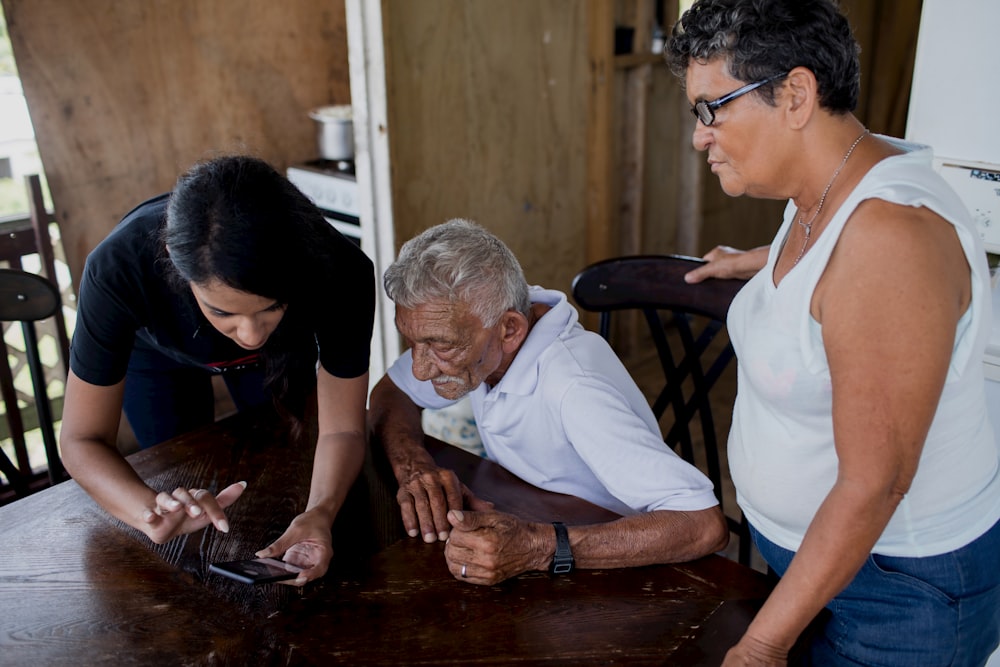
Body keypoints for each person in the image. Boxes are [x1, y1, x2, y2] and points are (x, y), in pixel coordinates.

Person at [665, 1, 1000, 665]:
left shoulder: (890, 241)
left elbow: (874, 483)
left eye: (711, 109)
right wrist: (756, 264)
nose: (701, 136)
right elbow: (832, 268)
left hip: (896, 592)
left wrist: (761, 643)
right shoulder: (827, 187)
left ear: (795, 95)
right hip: (826, 565)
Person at [60, 155, 375, 585]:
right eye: (223, 311)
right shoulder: (119, 268)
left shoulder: (339, 269)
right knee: (176, 468)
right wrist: (149, 510)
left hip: (285, 351)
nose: (249, 335)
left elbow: (342, 430)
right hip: (157, 354)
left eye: (270, 306)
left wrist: (320, 512)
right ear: (173, 259)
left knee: (287, 460)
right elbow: (81, 440)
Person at [368, 218, 729, 585]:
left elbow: (702, 524)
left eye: (440, 345)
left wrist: (538, 546)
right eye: (413, 342)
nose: (421, 367)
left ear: (510, 330)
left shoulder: (574, 389)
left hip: (621, 566)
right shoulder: (485, 323)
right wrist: (414, 466)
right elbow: (391, 392)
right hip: (535, 509)